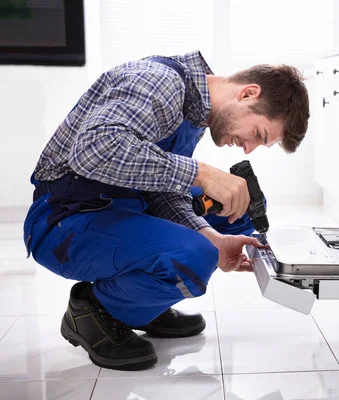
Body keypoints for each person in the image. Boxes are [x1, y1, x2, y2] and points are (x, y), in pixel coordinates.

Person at [22, 51, 310, 371]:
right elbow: (94, 151)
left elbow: (160, 189)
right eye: (258, 134)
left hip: (121, 206)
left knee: (238, 210)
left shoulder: (194, 113)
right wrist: (203, 174)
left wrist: (210, 236)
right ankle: (93, 309)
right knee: (194, 256)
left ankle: (146, 298)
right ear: (248, 94)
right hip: (66, 220)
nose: (248, 148)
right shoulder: (160, 83)